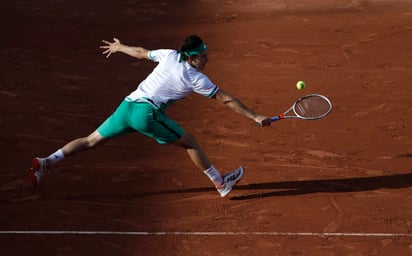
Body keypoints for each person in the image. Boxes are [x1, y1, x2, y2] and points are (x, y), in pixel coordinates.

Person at [28, 35, 270, 197]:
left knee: (91, 140)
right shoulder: (196, 78)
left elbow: (142, 52)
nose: (207, 58)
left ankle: (47, 161)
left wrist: (119, 47)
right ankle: (220, 183)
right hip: (146, 113)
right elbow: (226, 99)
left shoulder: (169, 55)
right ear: (191, 57)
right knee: (190, 142)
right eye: (203, 56)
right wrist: (255, 116)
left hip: (127, 106)